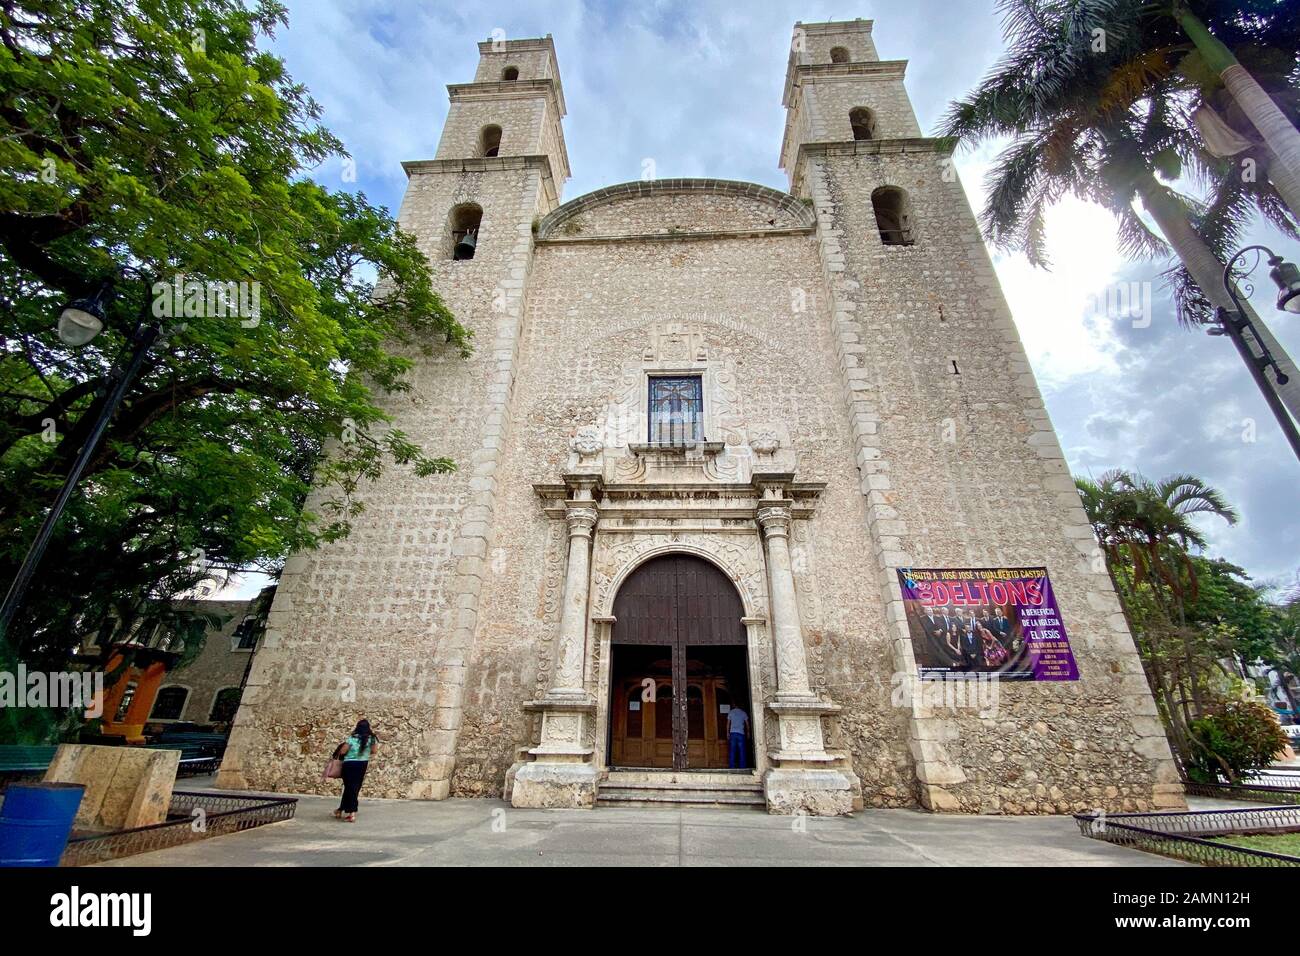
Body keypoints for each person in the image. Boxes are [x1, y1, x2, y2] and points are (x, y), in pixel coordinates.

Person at [333, 718, 378, 822]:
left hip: (349, 764)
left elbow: (343, 751)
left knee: (349, 787)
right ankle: (340, 810)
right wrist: (364, 753)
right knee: (354, 787)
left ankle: (352, 813)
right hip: (362, 764)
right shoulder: (372, 739)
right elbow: (374, 751)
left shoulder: (352, 738)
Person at [726, 704, 749, 769]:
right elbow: (747, 724)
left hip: (732, 733)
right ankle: (742, 767)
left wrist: (727, 733)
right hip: (741, 733)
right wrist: (748, 732)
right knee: (742, 751)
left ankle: (732, 767)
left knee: (732, 751)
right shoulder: (743, 713)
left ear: (734, 705)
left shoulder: (731, 712)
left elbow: (728, 724)